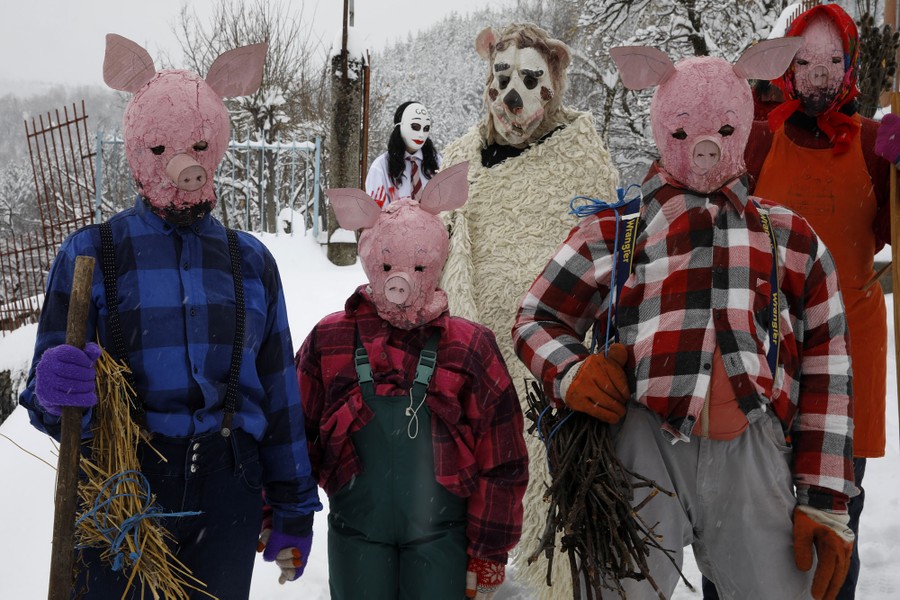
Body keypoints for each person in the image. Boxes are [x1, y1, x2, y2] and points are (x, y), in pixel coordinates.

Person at [513, 40, 857, 600]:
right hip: (643, 452)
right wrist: (571, 371)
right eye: (683, 132)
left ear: (744, 125)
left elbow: (829, 363)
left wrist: (824, 496)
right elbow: (536, 316)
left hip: (754, 447)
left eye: (724, 131)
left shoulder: (789, 236)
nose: (704, 147)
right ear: (660, 128)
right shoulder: (616, 232)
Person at [18, 35, 321, 598]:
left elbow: (279, 395)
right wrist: (56, 391)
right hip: (121, 490)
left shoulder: (251, 262)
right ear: (139, 149)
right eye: (161, 149)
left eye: (199, 145)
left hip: (227, 489)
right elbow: (46, 399)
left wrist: (294, 507)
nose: (183, 164)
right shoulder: (89, 256)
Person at [438, 23, 619, 598]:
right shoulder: (461, 158)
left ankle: (554, 579)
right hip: (476, 346)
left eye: (530, 79)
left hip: (553, 350)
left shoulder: (581, 157)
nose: (512, 91)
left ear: (554, 82)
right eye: (502, 76)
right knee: (477, 462)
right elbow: (439, 241)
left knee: (551, 470)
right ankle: (472, 568)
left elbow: (609, 252)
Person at [298, 165, 528, 599]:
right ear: (370, 259)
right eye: (387, 264)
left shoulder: (470, 347)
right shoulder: (331, 340)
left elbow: (503, 457)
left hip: (442, 540)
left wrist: (488, 551)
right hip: (355, 536)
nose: (399, 281)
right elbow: (292, 437)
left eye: (418, 266)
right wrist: (286, 514)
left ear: (436, 263)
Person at [733, 6, 891, 599]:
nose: (821, 77)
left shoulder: (875, 142)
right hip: (774, 343)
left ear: (849, 65)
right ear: (786, 69)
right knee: (766, 493)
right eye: (806, 62)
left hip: (853, 345)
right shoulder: (760, 138)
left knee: (838, 501)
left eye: (832, 62)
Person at [365, 101, 441, 207]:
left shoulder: (438, 163)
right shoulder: (381, 166)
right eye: (415, 126)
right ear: (400, 126)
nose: (421, 134)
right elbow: (375, 210)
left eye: (426, 128)